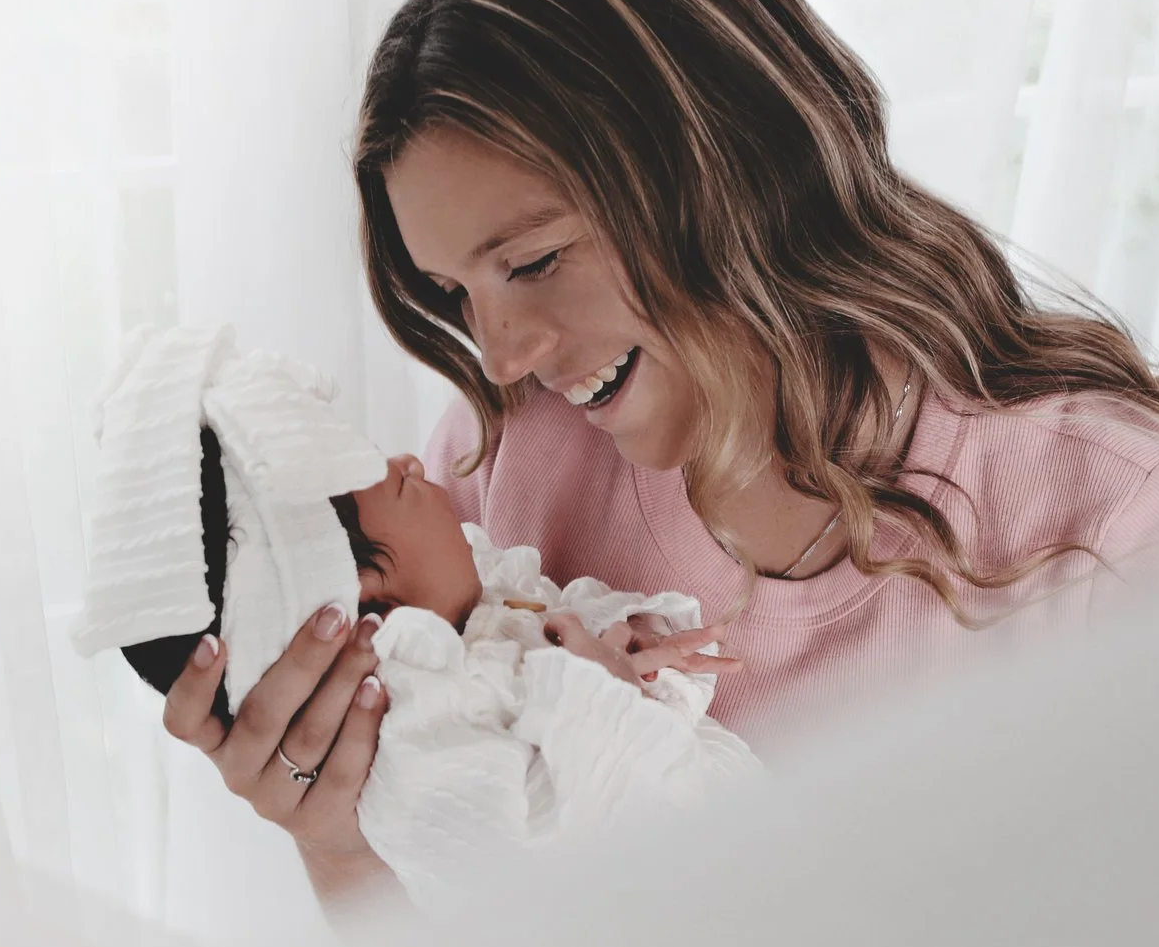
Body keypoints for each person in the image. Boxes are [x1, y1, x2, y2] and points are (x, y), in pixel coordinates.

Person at [159, 0, 1159, 912]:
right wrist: (342, 841)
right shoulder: (504, 455)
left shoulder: (1137, 535)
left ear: (728, 164)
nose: (502, 350)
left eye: (533, 261)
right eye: (457, 291)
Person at [76, 323, 758, 915]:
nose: (410, 459)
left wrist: (617, 643)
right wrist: (602, 694)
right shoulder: (429, 736)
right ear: (373, 604)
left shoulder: (463, 606)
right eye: (394, 476)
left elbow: (533, 611)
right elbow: (539, 887)